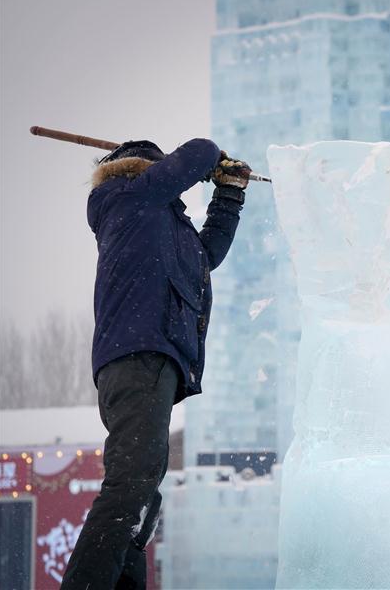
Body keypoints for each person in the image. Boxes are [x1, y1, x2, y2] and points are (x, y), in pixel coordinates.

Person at [61, 139, 251, 590]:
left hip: (153, 361)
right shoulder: (127, 197)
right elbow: (201, 150)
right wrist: (215, 162)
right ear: (146, 170)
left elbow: (207, 257)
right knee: (131, 485)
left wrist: (229, 195)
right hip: (137, 356)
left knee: (143, 492)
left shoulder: (163, 225)